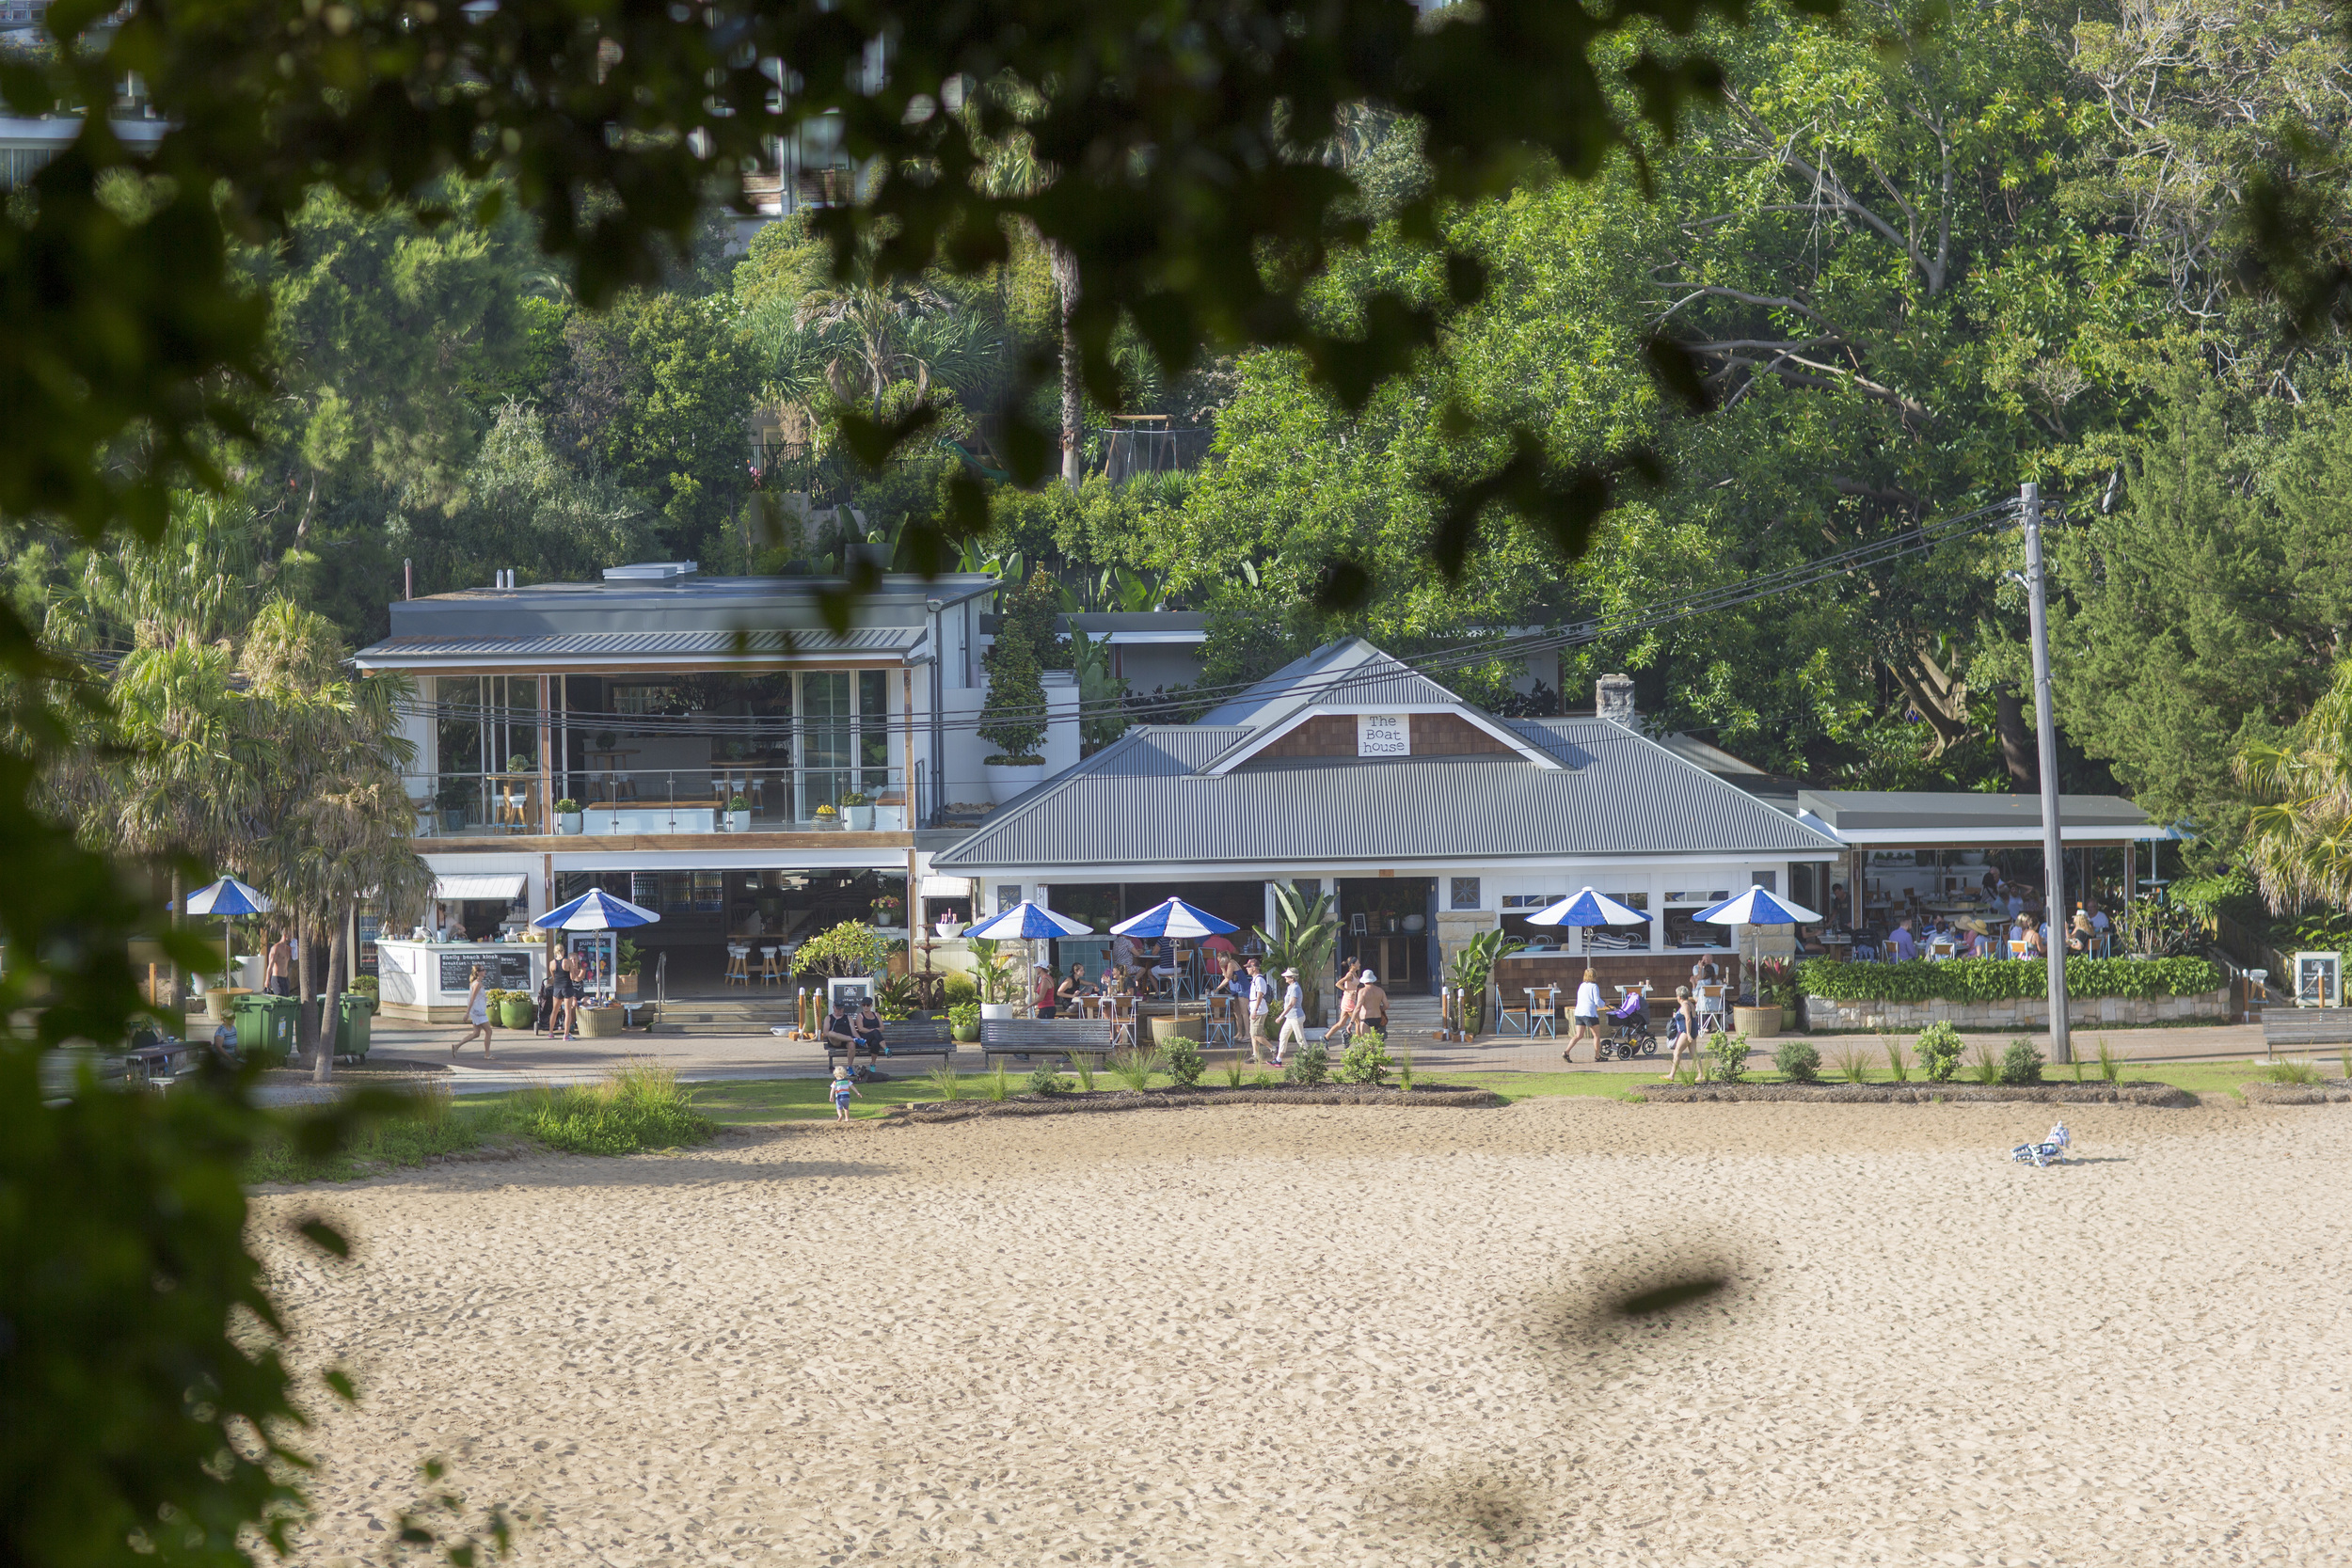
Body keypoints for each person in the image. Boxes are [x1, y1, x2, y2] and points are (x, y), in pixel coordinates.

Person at [452, 964, 495, 1059]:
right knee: (489, 1031)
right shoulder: (477, 984)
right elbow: (472, 999)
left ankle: (457, 1046)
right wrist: (467, 1013)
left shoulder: (477, 983)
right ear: (478, 972)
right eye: (483, 970)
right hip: (478, 1011)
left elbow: (478, 997)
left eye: (484, 969)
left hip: (477, 1010)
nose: (485, 971)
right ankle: (487, 1054)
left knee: (476, 1033)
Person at [1663, 985, 1705, 1082]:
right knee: (1694, 1054)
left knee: (1677, 1052)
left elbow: (1688, 1019)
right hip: (1693, 1030)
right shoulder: (1690, 1004)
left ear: (1679, 997)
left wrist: (1689, 1034)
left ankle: (1671, 1075)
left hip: (1687, 1032)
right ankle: (1701, 1074)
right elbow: (1692, 1016)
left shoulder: (1685, 1005)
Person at [1563, 967, 1604, 1065]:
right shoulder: (1594, 986)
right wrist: (1605, 1003)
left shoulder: (1581, 986)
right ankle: (1597, 1056)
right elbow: (1597, 1001)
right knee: (1596, 1035)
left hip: (1579, 1012)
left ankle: (1566, 1052)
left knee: (1578, 1035)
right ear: (1594, 976)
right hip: (1589, 1013)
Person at [1241, 956, 1273, 1064]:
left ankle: (1273, 1048)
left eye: (1249, 967)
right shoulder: (1255, 979)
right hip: (1255, 1008)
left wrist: (1255, 1010)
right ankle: (1255, 1055)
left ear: (1254, 968)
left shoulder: (1259, 979)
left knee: (1255, 1034)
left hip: (1259, 1010)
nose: (1247, 969)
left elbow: (1260, 995)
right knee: (1252, 1034)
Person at [1275, 967, 1306, 1066]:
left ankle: (1308, 1058)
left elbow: (1291, 1004)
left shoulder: (1295, 987)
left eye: (1287, 976)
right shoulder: (1290, 987)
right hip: (1290, 1017)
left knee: (1300, 1038)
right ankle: (1278, 1059)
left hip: (1296, 1016)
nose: (1285, 978)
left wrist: (1281, 1016)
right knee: (1283, 1036)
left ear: (1292, 978)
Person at [1355, 970, 1389, 1037]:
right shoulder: (1380, 990)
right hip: (1377, 1018)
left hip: (1366, 1018)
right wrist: (1379, 1008)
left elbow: (1358, 1007)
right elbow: (1386, 1005)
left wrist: (1351, 1022)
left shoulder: (1362, 991)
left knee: (1367, 1042)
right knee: (1376, 1041)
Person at [855, 997, 888, 1064]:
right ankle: (886, 1048)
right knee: (875, 1032)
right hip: (865, 1037)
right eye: (864, 1005)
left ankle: (873, 1063)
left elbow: (882, 1028)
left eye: (868, 1005)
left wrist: (875, 1031)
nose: (865, 1007)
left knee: (875, 1043)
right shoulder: (860, 1016)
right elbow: (861, 1029)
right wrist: (873, 1031)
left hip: (876, 1037)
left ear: (871, 1005)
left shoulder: (876, 1015)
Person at [264, 929, 294, 997]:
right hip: (277, 978)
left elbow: (297, 956)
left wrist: (295, 946)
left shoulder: (288, 949)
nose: (291, 937)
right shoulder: (276, 948)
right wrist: (267, 981)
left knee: (287, 999)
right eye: (289, 935)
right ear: (284, 935)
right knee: (280, 999)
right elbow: (270, 966)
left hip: (285, 978)